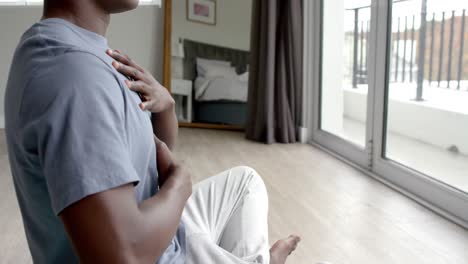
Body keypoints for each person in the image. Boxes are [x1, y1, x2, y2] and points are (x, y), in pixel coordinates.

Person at [4, 0, 301, 263]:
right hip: (156, 253)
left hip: (159, 229)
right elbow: (123, 256)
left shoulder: (78, 48)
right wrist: (180, 185)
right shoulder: (75, 76)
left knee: (245, 183)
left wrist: (166, 106)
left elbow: (146, 166)